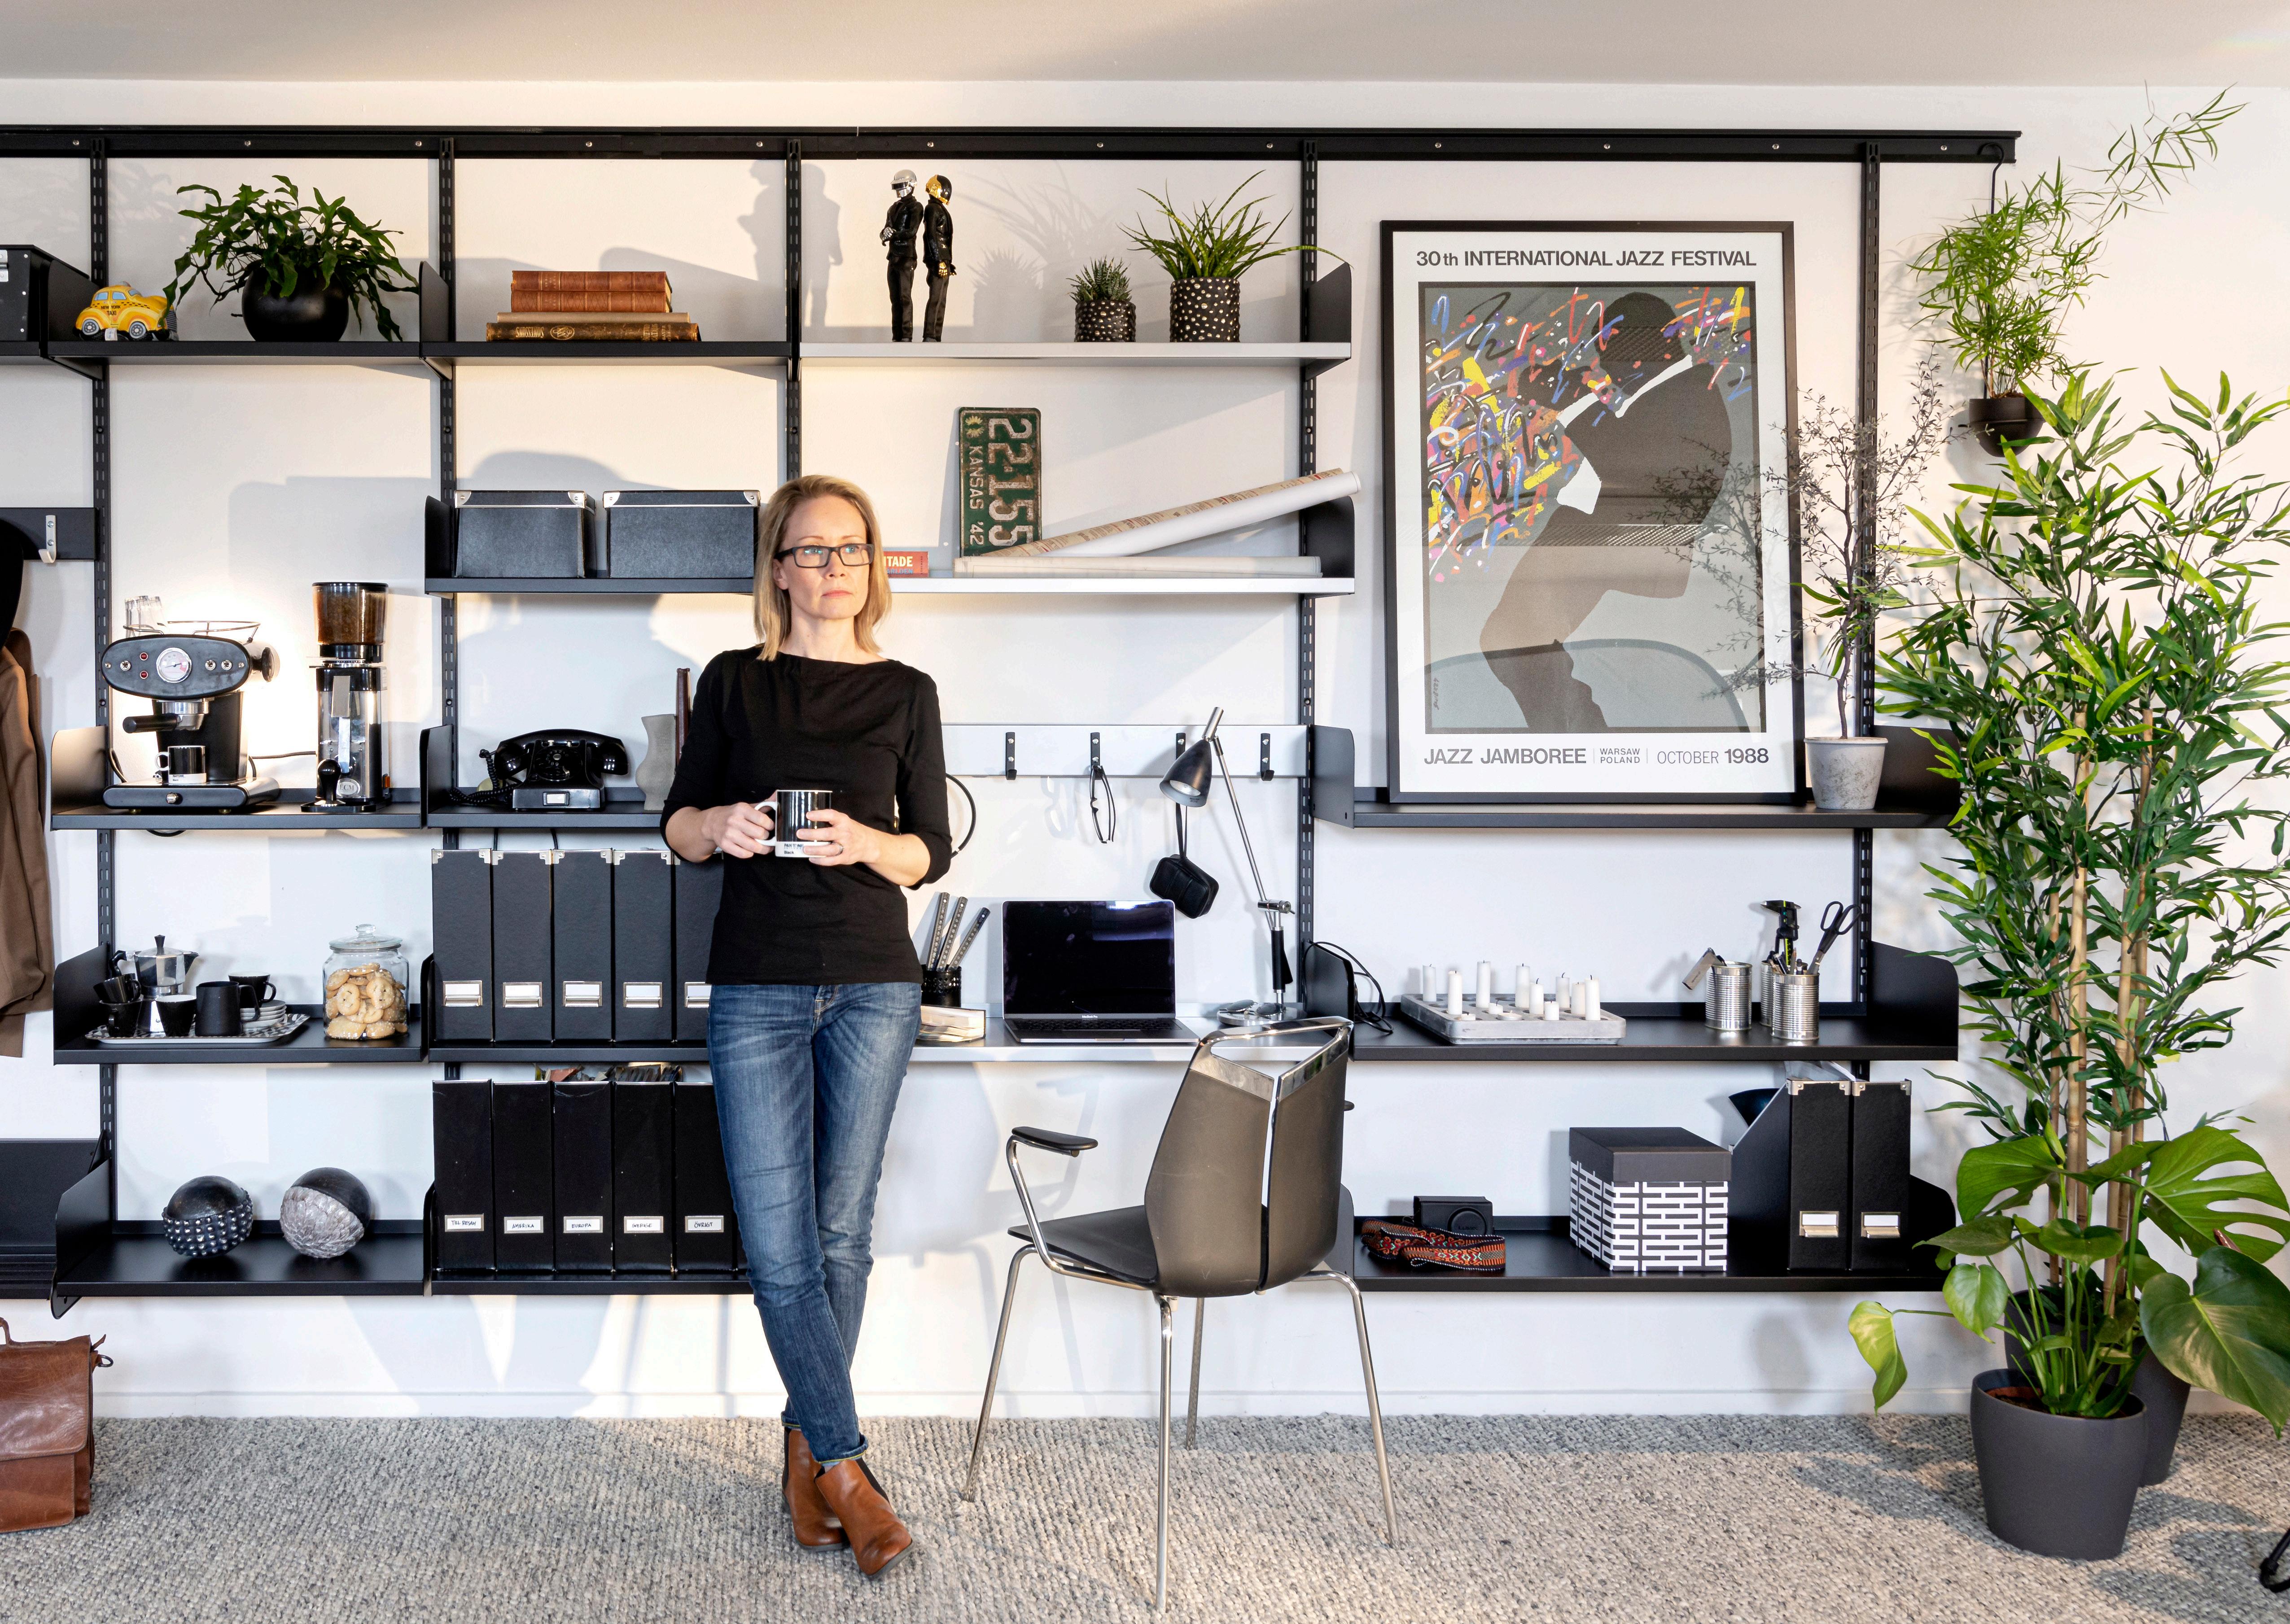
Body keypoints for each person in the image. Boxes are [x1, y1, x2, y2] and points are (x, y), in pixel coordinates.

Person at [662, 473, 951, 1578]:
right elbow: (676, 826)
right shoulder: (736, 683)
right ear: (778, 569)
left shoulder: (909, 692)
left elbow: (930, 849)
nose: (836, 567)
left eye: (853, 548)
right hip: (758, 985)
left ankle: (805, 1458)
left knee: (841, 1236)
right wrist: (719, 823)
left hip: (874, 984)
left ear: (871, 565)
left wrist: (868, 843)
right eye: (814, 550)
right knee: (780, 1243)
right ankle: (845, 1465)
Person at [881, 172, 922, 342]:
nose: (899, 190)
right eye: (897, 186)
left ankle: (906, 335)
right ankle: (896, 335)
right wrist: (884, 234)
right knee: (895, 299)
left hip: (907, 257)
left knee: (905, 297)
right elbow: (886, 228)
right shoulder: (893, 208)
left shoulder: (916, 207)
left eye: (902, 186)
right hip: (893, 257)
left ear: (911, 186)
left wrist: (893, 235)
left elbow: (912, 231)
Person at [920, 175, 955, 341]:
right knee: (936, 299)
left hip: (944, 260)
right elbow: (931, 236)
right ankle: (930, 335)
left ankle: (936, 336)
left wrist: (949, 262)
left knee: (942, 300)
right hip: (938, 260)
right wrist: (939, 260)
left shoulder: (939, 209)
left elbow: (945, 239)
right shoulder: (932, 209)